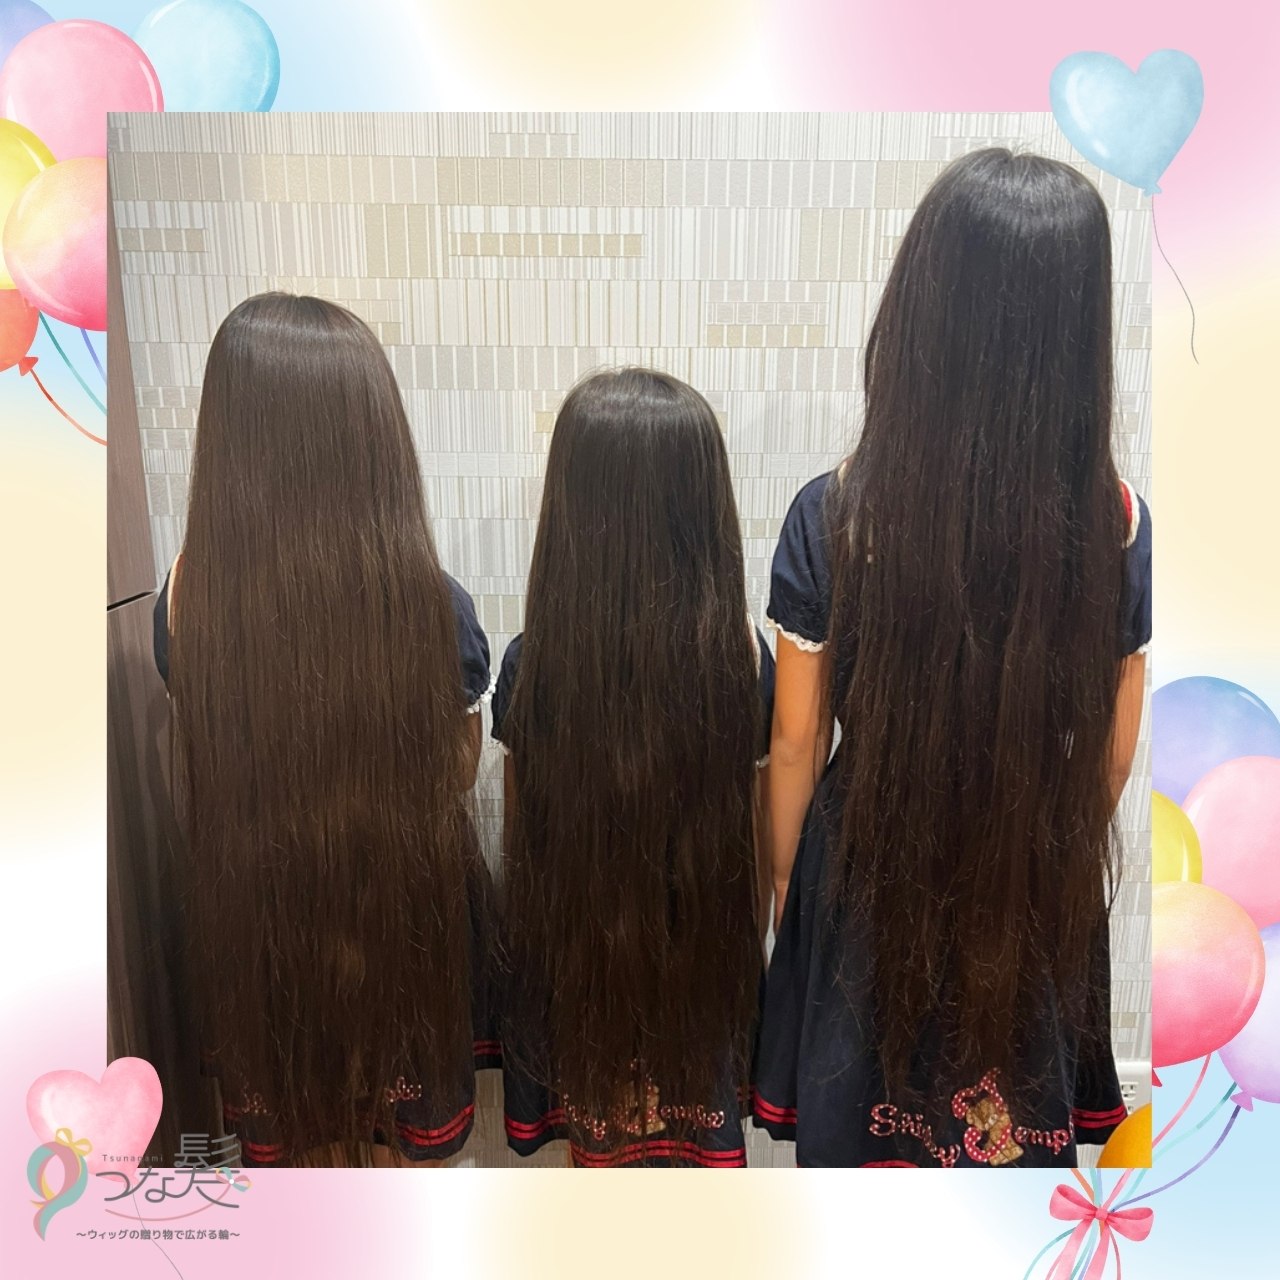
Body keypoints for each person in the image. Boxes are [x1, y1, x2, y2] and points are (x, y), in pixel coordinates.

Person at [753, 150, 1151, 1167]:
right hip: (1028, 868)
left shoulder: (836, 513)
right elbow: (1110, 754)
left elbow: (794, 741)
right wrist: (1046, 845)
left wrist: (794, 886)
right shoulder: (1116, 523)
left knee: (857, 1149)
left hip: (865, 869)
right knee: (1010, 1157)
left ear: (919, 309)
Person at [155, 293, 498, 1166]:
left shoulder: (186, 599)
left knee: (297, 1173)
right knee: (398, 1175)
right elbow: (457, 774)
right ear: (374, 440)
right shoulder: (434, 606)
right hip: (405, 932)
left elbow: (202, 760)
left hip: (261, 934)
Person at [493, 367, 775, 1166]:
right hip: (703, 985)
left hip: (579, 982)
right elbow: (753, 862)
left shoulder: (532, 667)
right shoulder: (743, 662)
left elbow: (524, 849)